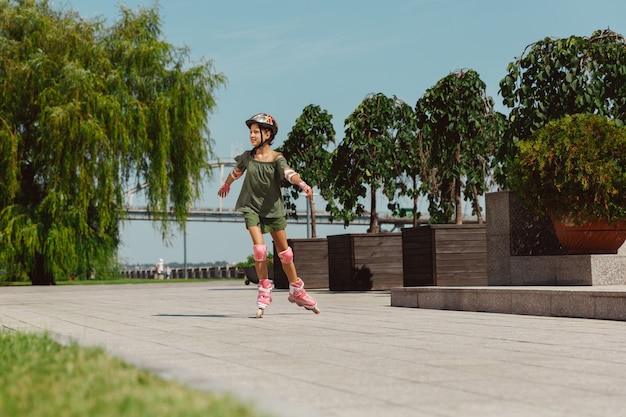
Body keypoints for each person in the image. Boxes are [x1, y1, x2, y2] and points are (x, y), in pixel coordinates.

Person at [218, 113, 320, 318]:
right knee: (259, 249)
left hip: (273, 209)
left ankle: (296, 289)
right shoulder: (248, 157)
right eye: (250, 132)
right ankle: (264, 289)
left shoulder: (276, 158)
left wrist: (301, 183)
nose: (252, 135)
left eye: (256, 132)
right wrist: (227, 184)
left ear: (267, 134)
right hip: (251, 206)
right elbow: (236, 172)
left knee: (285, 254)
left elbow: (288, 173)